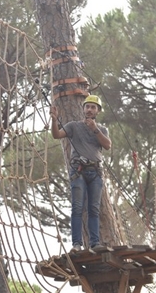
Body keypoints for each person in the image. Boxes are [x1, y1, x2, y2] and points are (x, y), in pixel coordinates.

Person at [50, 95, 112, 253]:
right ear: (83, 109)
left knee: (94, 209)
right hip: (79, 171)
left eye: (93, 107)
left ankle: (94, 243)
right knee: (77, 208)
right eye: (87, 106)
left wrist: (94, 129)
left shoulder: (102, 130)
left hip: (95, 172)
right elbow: (56, 135)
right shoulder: (73, 126)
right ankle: (76, 244)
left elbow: (107, 145)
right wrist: (54, 119)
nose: (90, 109)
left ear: (97, 111)